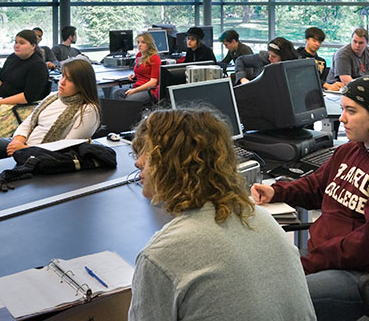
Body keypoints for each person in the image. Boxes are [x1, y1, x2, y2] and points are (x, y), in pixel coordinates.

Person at [251, 76, 369, 321]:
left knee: (274, 299)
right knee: (251, 282)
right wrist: (278, 192)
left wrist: (309, 262)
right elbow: (316, 186)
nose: (342, 118)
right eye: (343, 109)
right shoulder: (350, 150)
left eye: (351, 111)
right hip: (331, 260)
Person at [129, 108, 316, 321]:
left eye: (145, 152)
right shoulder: (262, 219)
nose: (137, 162)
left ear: (169, 165)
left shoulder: (160, 257)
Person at [0, 58, 100, 164]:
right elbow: (29, 121)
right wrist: (18, 141)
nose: (62, 82)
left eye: (69, 80)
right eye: (63, 76)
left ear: (82, 84)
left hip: (43, 156)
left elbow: (67, 147)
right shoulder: (53, 97)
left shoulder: (88, 110)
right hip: (24, 145)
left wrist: (26, 150)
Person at [0, 30, 49, 136]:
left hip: (17, 106)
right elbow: (0, 78)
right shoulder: (13, 57)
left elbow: (28, 97)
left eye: (22, 43)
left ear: (33, 46)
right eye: (16, 42)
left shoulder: (38, 66)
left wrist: (1, 102)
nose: (16, 45)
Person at [112, 32, 161, 103]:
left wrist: (134, 90)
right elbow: (143, 73)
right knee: (116, 93)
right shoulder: (139, 55)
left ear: (149, 44)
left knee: (128, 101)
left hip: (149, 90)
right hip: (137, 87)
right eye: (138, 42)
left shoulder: (154, 58)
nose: (139, 45)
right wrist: (134, 77)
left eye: (143, 42)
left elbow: (153, 82)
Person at [297, 26, 343, 91]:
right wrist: (326, 85)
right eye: (314, 40)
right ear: (306, 39)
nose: (317, 44)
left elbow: (323, 80)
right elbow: (304, 77)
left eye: (319, 42)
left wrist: (333, 83)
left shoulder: (322, 61)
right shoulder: (297, 57)